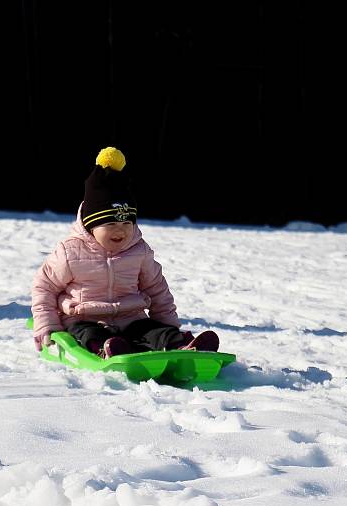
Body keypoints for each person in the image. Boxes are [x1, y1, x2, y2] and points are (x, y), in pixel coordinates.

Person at [31, 147, 219, 357]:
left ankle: (181, 345)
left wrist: (169, 327)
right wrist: (47, 325)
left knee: (154, 331)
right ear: (91, 225)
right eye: (110, 223)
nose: (120, 229)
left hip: (131, 319)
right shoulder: (70, 252)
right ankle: (106, 349)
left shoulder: (139, 251)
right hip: (84, 318)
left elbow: (157, 290)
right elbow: (44, 288)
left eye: (126, 222)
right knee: (87, 333)